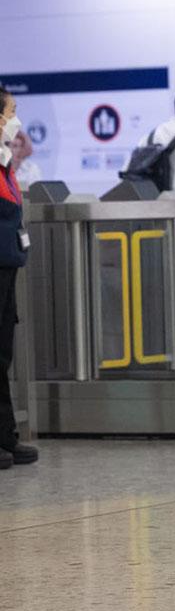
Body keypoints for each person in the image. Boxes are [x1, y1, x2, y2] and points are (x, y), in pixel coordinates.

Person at [0, 87, 37, 469]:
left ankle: (6, 436)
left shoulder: (5, 160)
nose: (16, 119)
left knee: (2, 353)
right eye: (11, 111)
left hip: (7, 264)